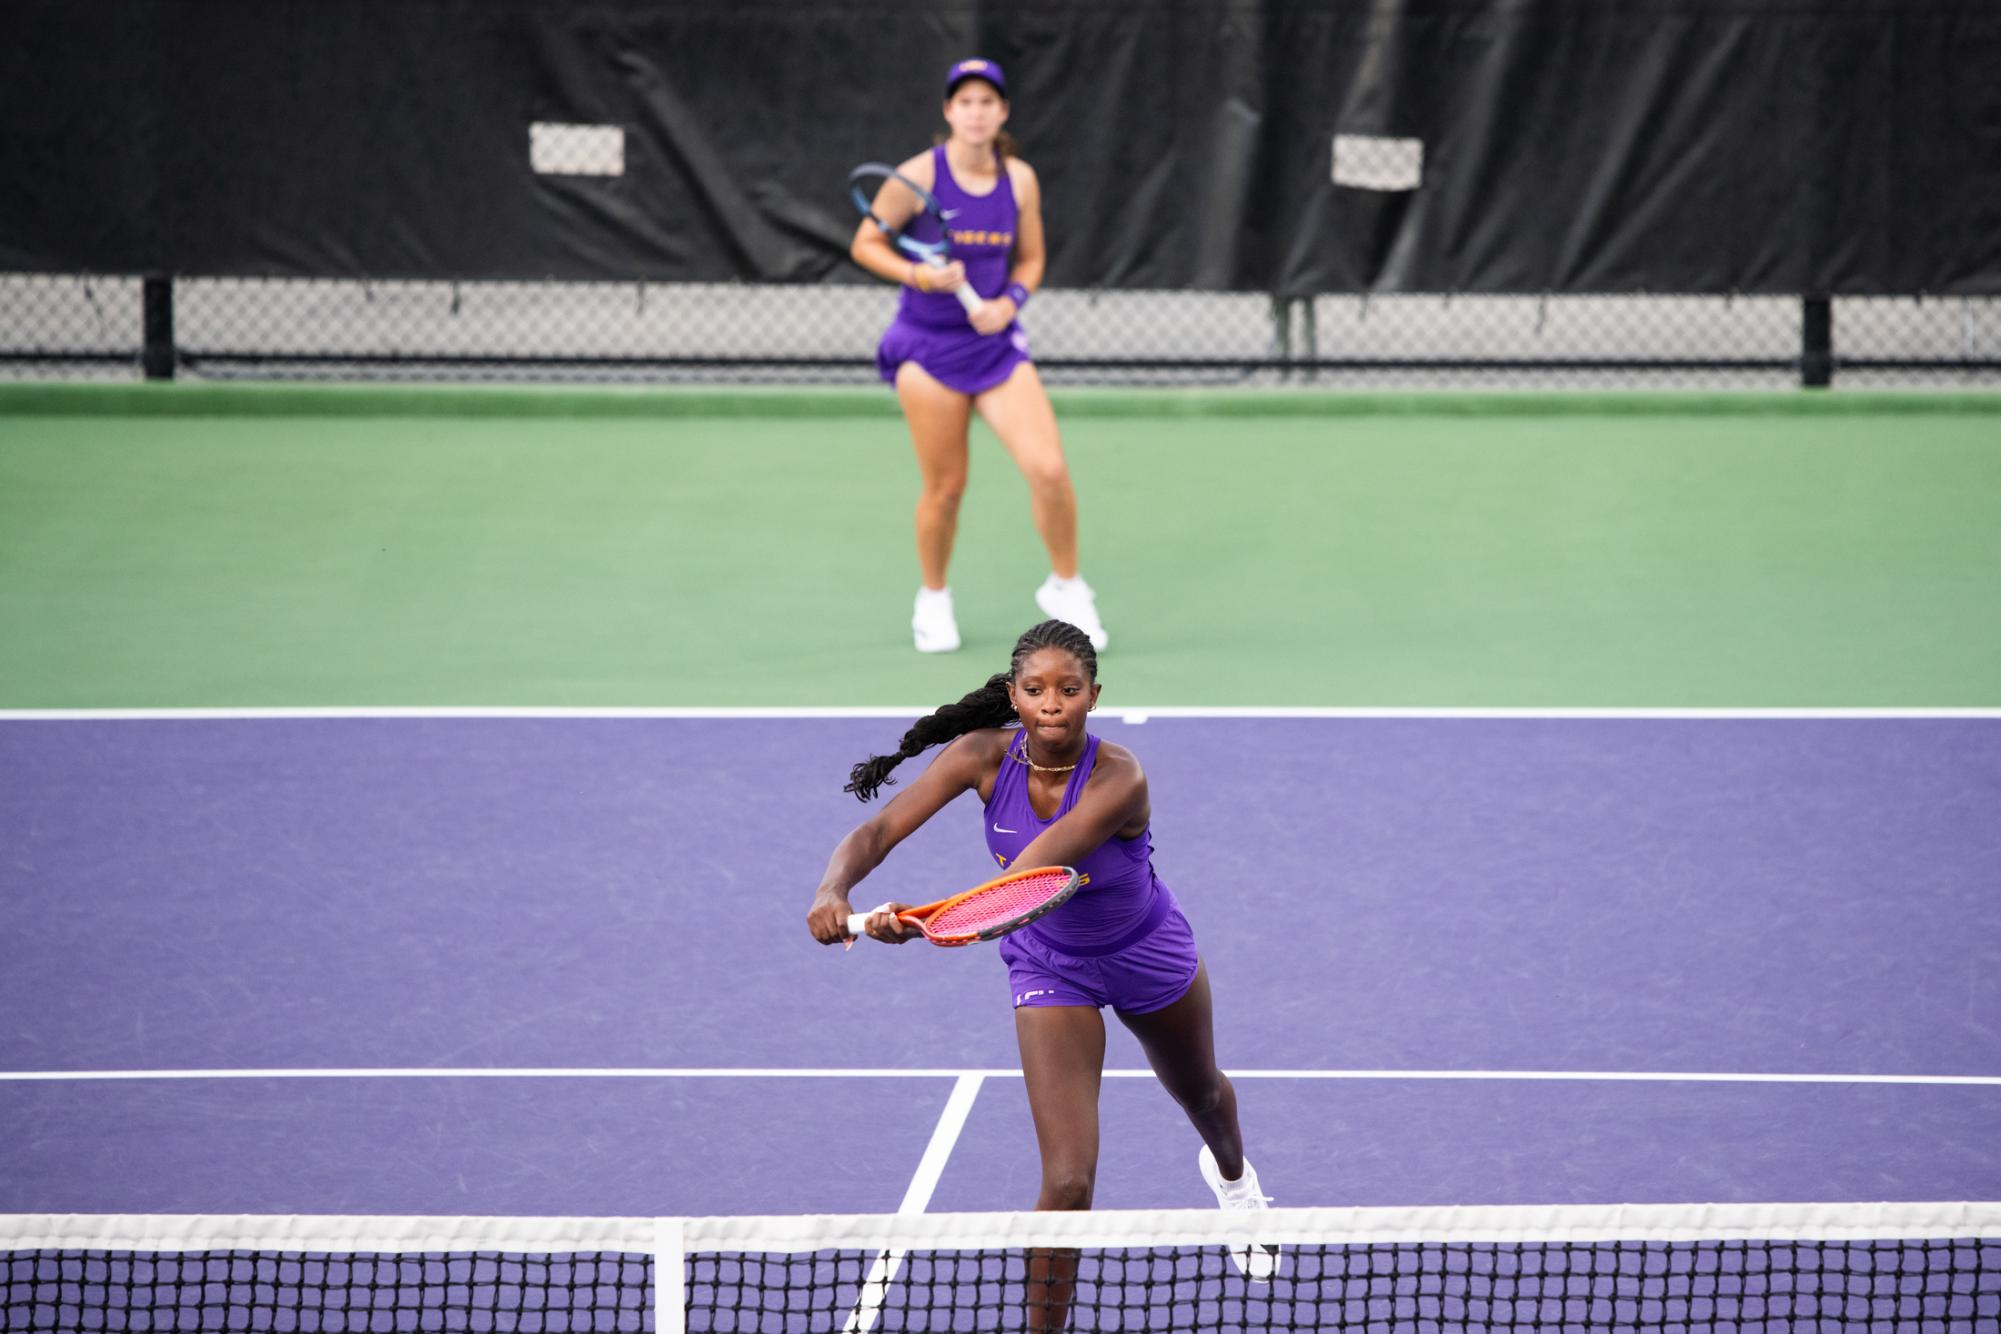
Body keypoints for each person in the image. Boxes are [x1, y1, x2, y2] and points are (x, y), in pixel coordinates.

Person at [806, 619, 1275, 1322]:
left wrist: (919, 920)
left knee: (1202, 1096)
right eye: (1035, 690)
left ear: (1093, 695)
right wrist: (833, 891)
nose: (1051, 703)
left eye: (1068, 689)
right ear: (1013, 696)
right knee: (1065, 1182)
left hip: (1146, 953)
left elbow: (1031, 873)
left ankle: (1236, 1184)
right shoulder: (978, 758)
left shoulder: (1120, 777)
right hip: (1051, 964)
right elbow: (877, 831)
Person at [849, 59, 1108, 656]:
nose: (975, 112)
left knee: (1048, 469)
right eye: (964, 101)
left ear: (1003, 113)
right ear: (948, 111)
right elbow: (865, 243)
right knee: (946, 489)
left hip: (994, 347)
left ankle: (1066, 587)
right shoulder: (917, 175)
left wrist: (1009, 302)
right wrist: (917, 273)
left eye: (987, 102)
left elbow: (1031, 260)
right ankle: (933, 599)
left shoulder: (1019, 180)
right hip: (926, 347)